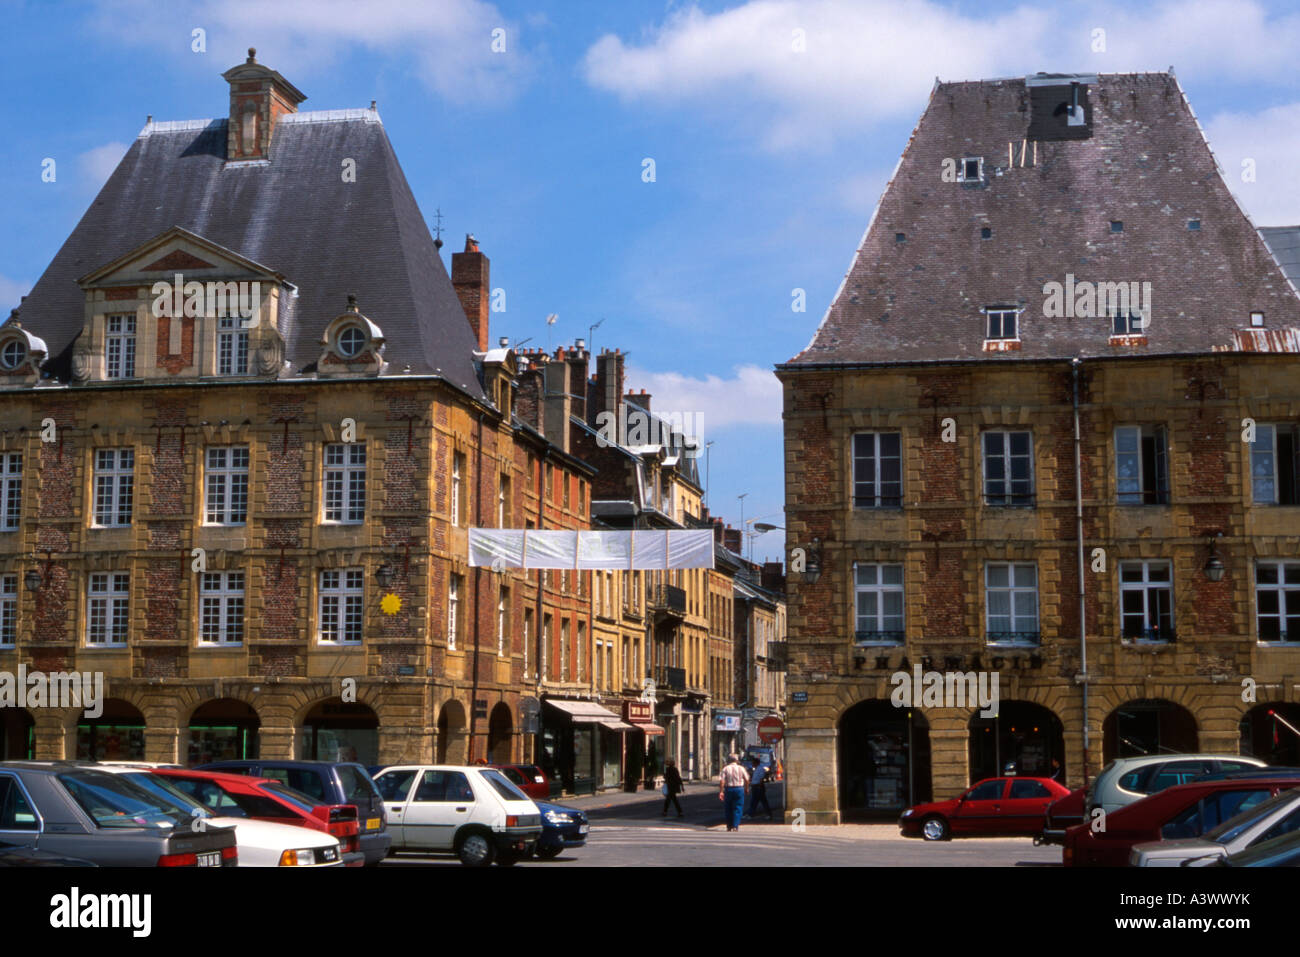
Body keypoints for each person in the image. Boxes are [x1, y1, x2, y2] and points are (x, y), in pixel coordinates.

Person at [718, 753, 750, 831]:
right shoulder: (741, 768)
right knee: (738, 807)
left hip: (728, 789)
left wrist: (721, 791)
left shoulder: (725, 769)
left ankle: (729, 826)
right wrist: (746, 788)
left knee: (728, 808)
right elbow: (747, 779)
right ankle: (735, 825)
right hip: (739, 789)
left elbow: (722, 781)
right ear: (737, 760)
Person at [747, 756, 773, 820]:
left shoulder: (760, 769)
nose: (752, 764)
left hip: (758, 787)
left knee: (761, 801)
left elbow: (761, 778)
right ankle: (750, 814)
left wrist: (759, 786)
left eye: (753, 763)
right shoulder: (756, 769)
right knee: (755, 801)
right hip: (755, 786)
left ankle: (768, 814)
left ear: (756, 763)